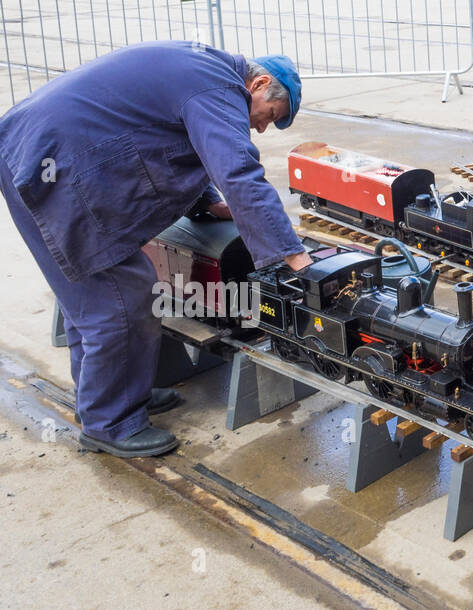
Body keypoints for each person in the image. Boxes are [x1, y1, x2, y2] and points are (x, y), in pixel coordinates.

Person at [0, 41, 313, 458]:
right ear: (258, 84)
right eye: (270, 116)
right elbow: (238, 170)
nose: (261, 128)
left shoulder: (202, 69)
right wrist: (292, 253)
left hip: (37, 151)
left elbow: (167, 138)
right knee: (119, 297)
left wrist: (205, 201)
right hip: (51, 165)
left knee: (90, 301)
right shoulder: (218, 87)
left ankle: (111, 397)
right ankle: (111, 424)